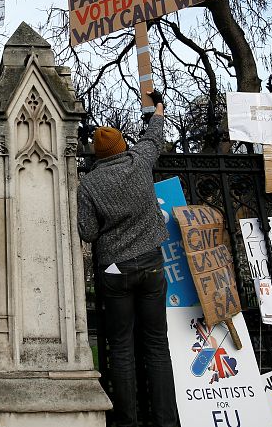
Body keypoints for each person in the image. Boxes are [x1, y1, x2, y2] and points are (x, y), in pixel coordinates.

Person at [77, 90, 177, 427]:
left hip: (115, 272)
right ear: (121, 146)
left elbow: (87, 232)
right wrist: (158, 107)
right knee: (156, 346)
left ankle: (127, 421)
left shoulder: (89, 185)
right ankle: (164, 421)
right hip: (150, 266)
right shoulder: (139, 161)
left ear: (96, 155)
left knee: (120, 348)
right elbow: (155, 135)